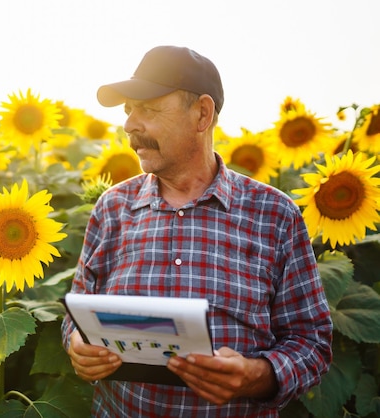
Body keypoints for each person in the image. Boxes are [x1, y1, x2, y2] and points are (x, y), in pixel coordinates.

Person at [61, 45, 332, 417]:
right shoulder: (112, 208)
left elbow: (312, 342)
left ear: (202, 113)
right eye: (128, 111)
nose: (129, 125)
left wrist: (257, 375)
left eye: (148, 109)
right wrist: (78, 343)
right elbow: (77, 313)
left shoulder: (275, 215)